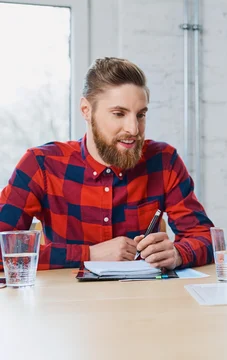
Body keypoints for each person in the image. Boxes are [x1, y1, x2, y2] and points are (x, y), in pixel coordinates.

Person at [0, 58, 213, 270]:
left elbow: (206, 238)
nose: (133, 129)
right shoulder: (42, 165)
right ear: (86, 110)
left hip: (142, 300)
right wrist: (90, 254)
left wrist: (177, 254)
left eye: (140, 115)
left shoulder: (163, 160)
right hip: (67, 302)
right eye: (119, 114)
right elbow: (3, 249)